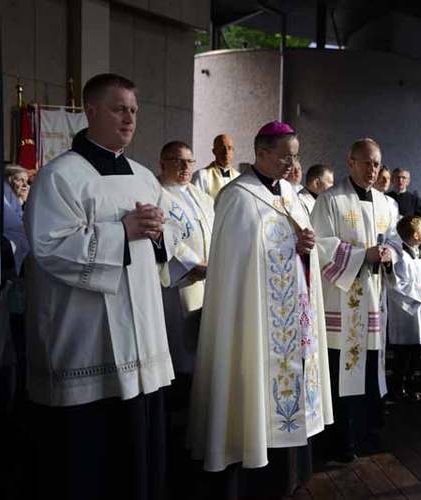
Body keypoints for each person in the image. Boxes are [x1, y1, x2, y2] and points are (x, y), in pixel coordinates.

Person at [23, 73, 181, 499]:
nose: (129, 118)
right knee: (92, 461)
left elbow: (174, 232)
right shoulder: (60, 176)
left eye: (133, 110)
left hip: (141, 336)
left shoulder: (145, 175)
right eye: (118, 109)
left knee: (138, 451)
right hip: (87, 336)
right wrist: (122, 232)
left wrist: (159, 230)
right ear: (91, 111)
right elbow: (49, 247)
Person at [188, 121, 333, 496]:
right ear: (261, 152)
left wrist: (306, 248)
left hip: (291, 320)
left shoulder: (292, 194)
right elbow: (236, 265)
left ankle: (292, 473)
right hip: (253, 321)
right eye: (285, 155)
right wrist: (288, 249)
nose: (291, 162)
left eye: (296, 155)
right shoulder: (239, 196)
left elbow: (302, 251)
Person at [311, 138, 398, 462]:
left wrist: (390, 254)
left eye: (376, 163)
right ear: (350, 162)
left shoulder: (386, 203)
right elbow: (322, 247)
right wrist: (364, 255)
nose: (372, 169)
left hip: (374, 300)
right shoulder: (331, 200)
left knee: (370, 372)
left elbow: (394, 242)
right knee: (342, 372)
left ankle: (367, 435)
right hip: (344, 304)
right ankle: (340, 442)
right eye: (366, 163)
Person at [156, 141, 213, 386]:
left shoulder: (202, 196)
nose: (184, 166)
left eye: (189, 161)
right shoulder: (156, 193)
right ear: (162, 163)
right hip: (179, 278)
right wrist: (192, 264)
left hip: (209, 276)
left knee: (204, 339)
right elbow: (161, 234)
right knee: (180, 341)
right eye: (177, 160)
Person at [386, 215, 421, 402]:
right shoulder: (401, 257)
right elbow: (395, 284)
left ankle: (410, 384)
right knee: (403, 353)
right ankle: (397, 386)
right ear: (416, 235)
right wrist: (419, 290)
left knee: (417, 350)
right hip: (405, 312)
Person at [191, 134, 239, 199]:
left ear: (233, 151)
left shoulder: (238, 177)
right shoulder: (201, 176)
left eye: (230, 148)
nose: (227, 152)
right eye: (222, 148)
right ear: (214, 151)